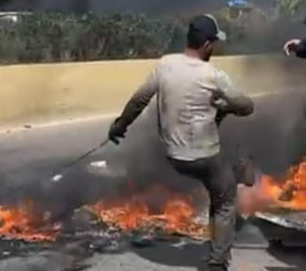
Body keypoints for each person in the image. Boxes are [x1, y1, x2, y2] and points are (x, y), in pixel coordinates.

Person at [108, 14, 255, 271]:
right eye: (215, 44)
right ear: (207, 45)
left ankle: (237, 172)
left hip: (174, 156)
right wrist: (225, 105)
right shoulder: (214, 75)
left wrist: (119, 126)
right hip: (205, 158)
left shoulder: (165, 64)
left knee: (228, 151)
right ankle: (218, 262)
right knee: (225, 199)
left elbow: (139, 99)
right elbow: (247, 106)